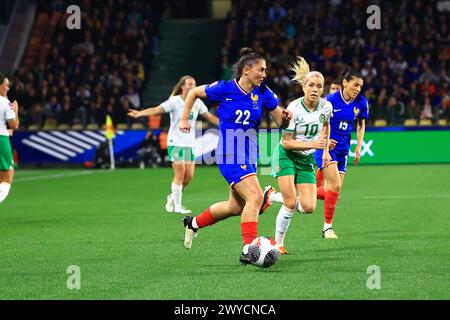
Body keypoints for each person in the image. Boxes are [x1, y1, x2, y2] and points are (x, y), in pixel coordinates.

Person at [178, 48, 292, 266]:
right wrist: (185, 119)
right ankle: (249, 249)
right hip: (230, 151)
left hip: (250, 154)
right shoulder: (224, 88)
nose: (264, 74)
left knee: (235, 207)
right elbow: (193, 93)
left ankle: (192, 224)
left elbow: (281, 122)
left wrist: (285, 118)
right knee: (256, 198)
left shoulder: (264, 92)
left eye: (265, 70)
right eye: (261, 70)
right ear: (246, 70)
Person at [265, 67, 368, 240]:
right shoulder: (328, 101)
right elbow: (296, 136)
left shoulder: (359, 103)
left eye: (360, 86)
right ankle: (326, 227)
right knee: (334, 186)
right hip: (321, 148)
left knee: (326, 194)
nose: (358, 89)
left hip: (339, 149)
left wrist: (358, 146)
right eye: (355, 84)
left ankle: (274, 196)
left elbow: (356, 124)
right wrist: (324, 147)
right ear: (345, 83)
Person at [128, 76, 219, 214]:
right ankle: (178, 206)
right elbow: (156, 109)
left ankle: (172, 197)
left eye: (194, 85)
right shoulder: (174, 101)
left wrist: (226, 125)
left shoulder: (198, 102)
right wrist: (140, 113)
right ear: (182, 86)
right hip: (175, 142)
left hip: (189, 143)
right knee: (180, 172)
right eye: (189, 84)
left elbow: (210, 117)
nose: (192, 87)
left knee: (188, 177)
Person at [269, 57, 333, 255]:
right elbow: (287, 142)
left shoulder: (326, 107)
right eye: (311, 85)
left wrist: (325, 150)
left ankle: (271, 195)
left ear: (323, 89)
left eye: (319, 86)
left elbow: (325, 125)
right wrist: (314, 144)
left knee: (309, 207)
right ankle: (278, 243)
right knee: (290, 203)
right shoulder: (294, 109)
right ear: (303, 86)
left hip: (306, 159)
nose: (315, 89)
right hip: (286, 155)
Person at [0, 74, 19, 204]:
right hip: (1, 140)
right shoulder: (5, 103)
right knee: (7, 179)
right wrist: (16, 110)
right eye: (6, 85)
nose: (8, 88)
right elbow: (14, 125)